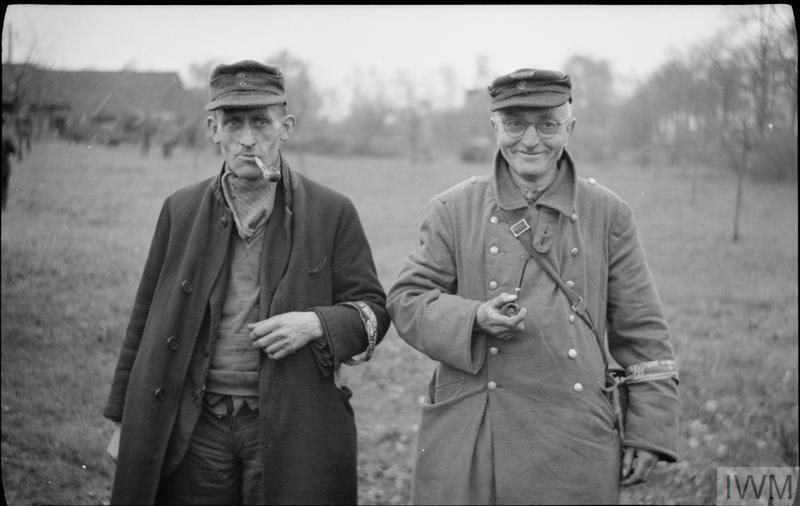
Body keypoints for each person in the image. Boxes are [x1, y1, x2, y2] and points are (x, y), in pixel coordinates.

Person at [104, 60, 390, 505]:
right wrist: (123, 421)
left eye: (261, 121)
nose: (248, 138)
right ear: (212, 129)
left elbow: (374, 310)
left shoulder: (332, 211)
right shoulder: (179, 209)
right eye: (233, 123)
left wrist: (316, 323)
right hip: (196, 422)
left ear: (287, 126)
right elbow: (144, 319)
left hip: (287, 424)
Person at [387, 68, 679, 504]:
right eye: (514, 124)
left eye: (547, 124)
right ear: (494, 128)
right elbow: (407, 301)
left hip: (575, 434)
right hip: (475, 430)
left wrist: (648, 430)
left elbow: (643, 332)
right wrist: (473, 318)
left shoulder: (608, 213)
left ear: (570, 128)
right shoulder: (452, 208)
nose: (529, 140)